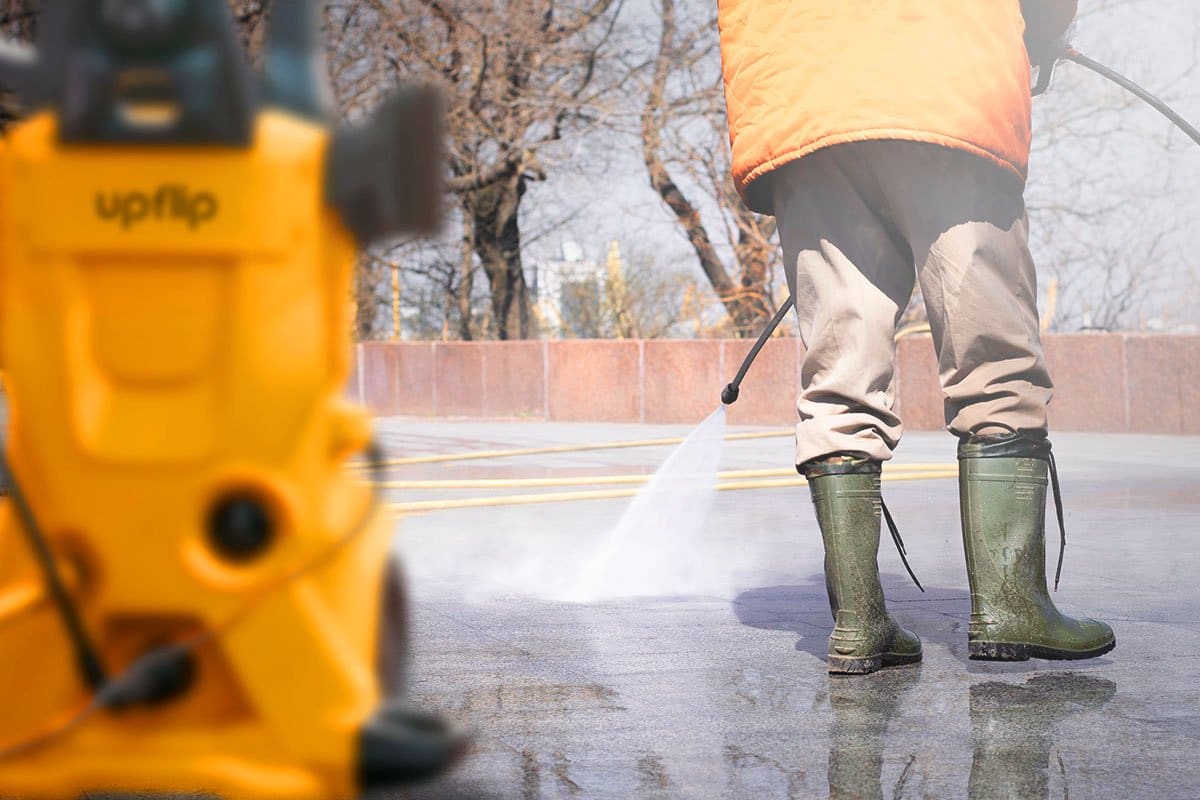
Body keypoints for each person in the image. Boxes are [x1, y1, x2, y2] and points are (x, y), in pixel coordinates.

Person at [717, 0, 1115, 674]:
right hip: (942, 77)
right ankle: (1011, 607)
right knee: (993, 361)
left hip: (799, 98)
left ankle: (859, 623)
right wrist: (1044, 32)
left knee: (839, 376)